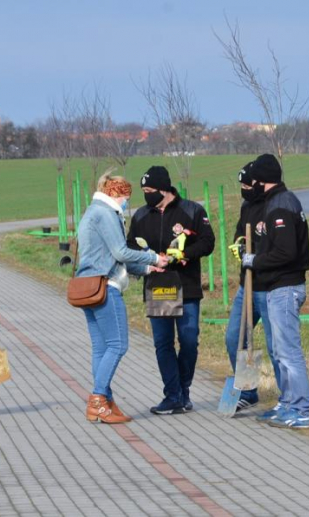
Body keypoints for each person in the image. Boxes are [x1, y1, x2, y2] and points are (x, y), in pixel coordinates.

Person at [76, 171, 167, 424]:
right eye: (126, 197)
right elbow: (120, 251)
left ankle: (105, 400)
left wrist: (148, 268)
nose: (127, 203)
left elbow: (108, 255)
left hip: (88, 285)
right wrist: (152, 258)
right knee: (118, 345)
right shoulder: (106, 214)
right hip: (106, 286)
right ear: (116, 194)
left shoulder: (91, 212)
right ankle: (97, 400)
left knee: (101, 348)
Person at [127, 166, 215, 415]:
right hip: (158, 286)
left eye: (149, 191)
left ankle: (183, 390)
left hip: (186, 285)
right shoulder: (142, 215)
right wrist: (148, 261)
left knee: (188, 341)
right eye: (143, 191)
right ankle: (173, 395)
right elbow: (130, 245)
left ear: (164, 189)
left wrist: (184, 254)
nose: (146, 195)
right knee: (163, 343)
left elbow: (208, 242)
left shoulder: (192, 210)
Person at [241, 153, 309, 429]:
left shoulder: (280, 206)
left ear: (261, 180)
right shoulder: (279, 201)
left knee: (289, 351)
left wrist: (254, 260)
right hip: (277, 286)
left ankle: (302, 409)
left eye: (254, 180)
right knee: (281, 351)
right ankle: (288, 403)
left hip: (285, 286)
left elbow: (285, 251)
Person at [225, 161, 284, 412]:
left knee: (275, 345)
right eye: (241, 186)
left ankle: (287, 397)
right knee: (234, 338)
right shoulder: (247, 205)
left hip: (269, 287)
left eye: (247, 185)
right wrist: (239, 246)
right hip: (246, 286)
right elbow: (240, 234)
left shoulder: (275, 204)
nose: (244, 189)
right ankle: (248, 391)